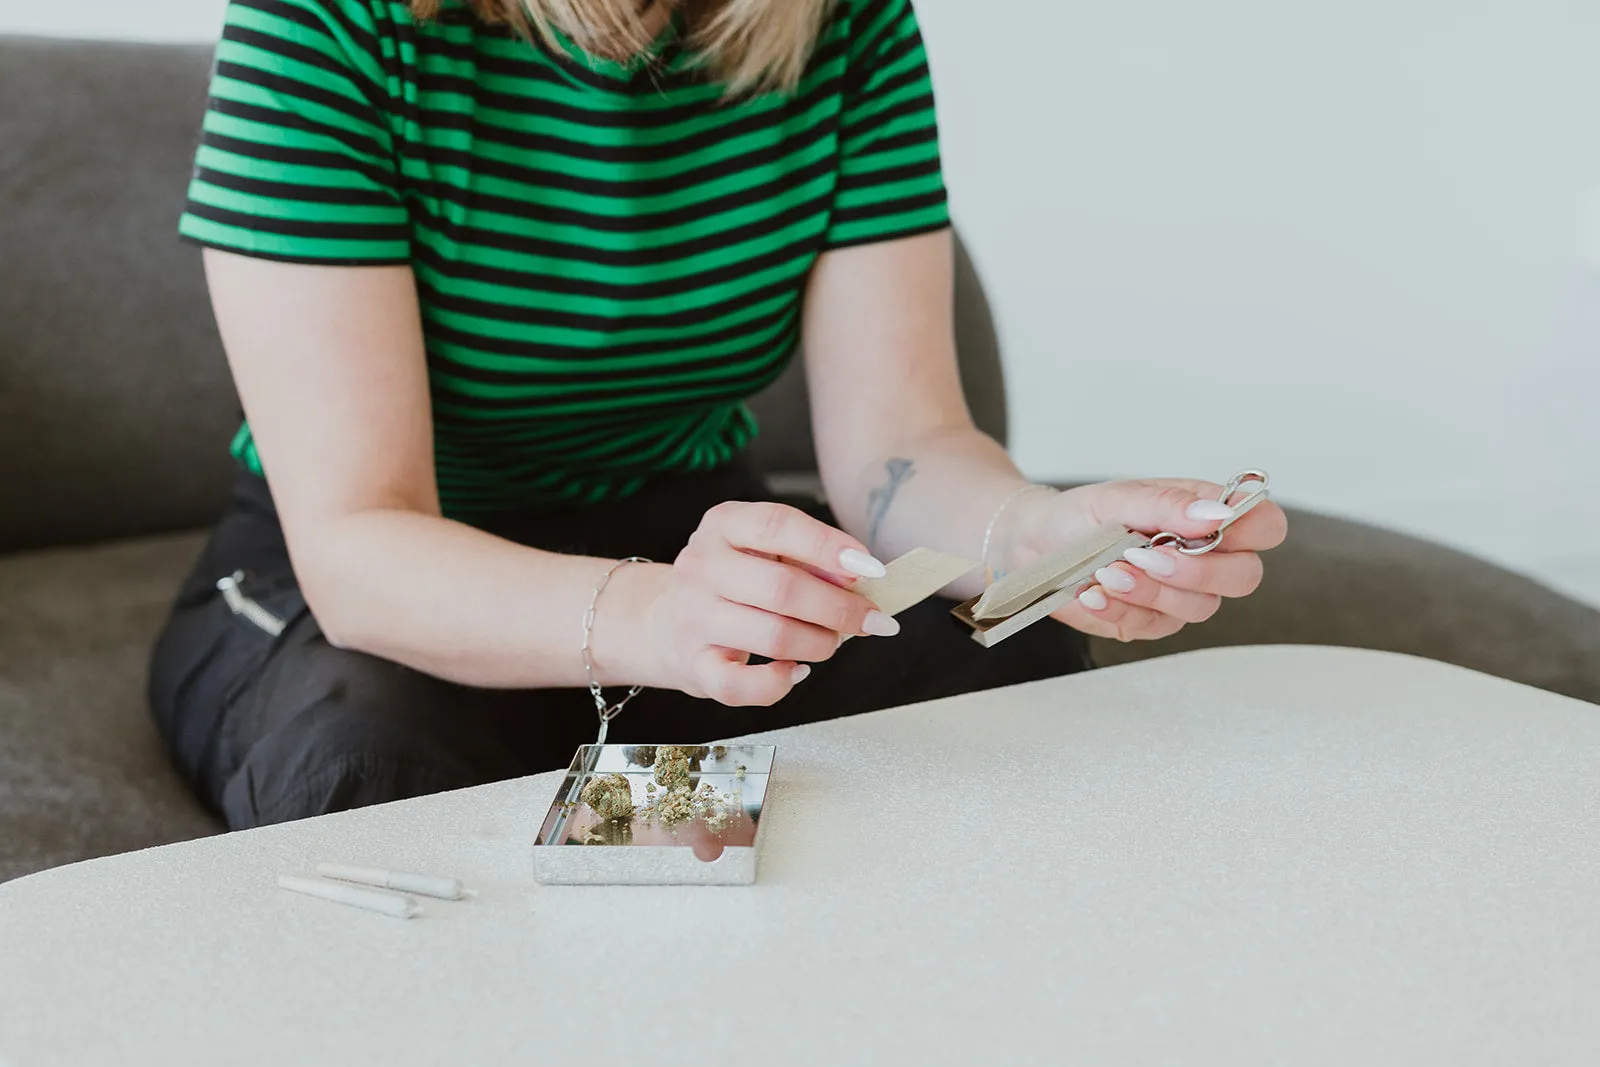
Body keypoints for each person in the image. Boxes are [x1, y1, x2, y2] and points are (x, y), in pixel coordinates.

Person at [148, 0, 1288, 829]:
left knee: (1012, 664)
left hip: (683, 539)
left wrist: (1033, 539)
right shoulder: (323, 28)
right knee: (365, 760)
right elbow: (358, 546)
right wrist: (655, 618)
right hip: (376, 578)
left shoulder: (850, 28)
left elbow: (905, 446)